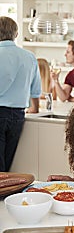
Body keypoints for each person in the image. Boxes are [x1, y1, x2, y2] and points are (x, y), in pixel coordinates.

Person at [0, 16, 41, 172]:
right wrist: (35, 108)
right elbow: (36, 89)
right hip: (18, 115)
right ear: (16, 34)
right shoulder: (29, 57)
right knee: (7, 160)